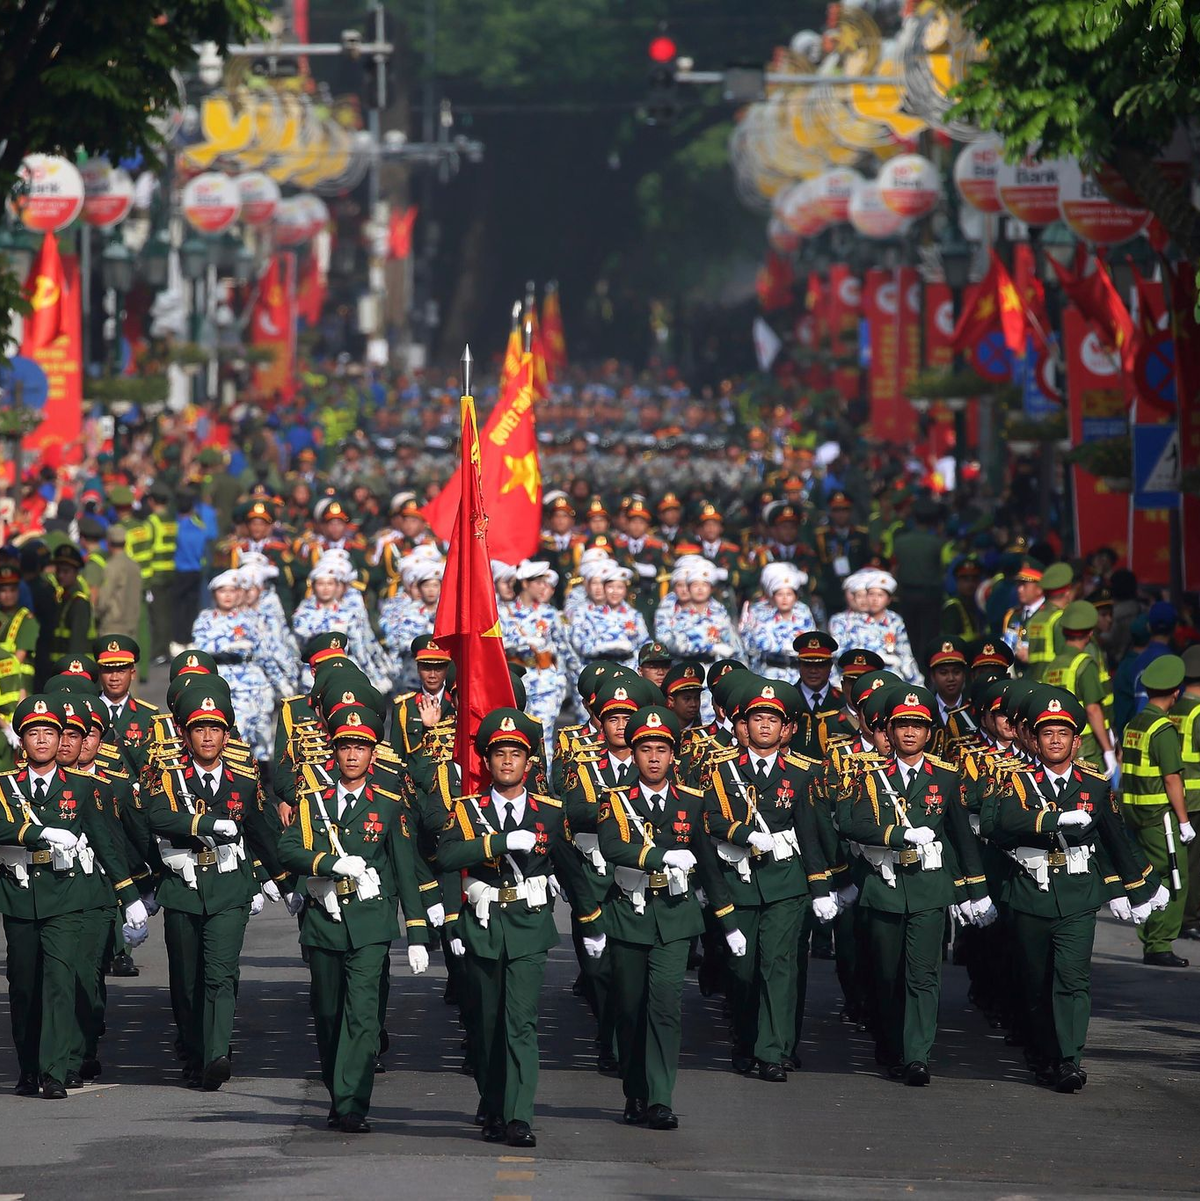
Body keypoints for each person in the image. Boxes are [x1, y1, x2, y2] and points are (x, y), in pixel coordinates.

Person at [990, 687, 1164, 1091]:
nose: (1055, 740)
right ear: (1033, 738)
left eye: (1063, 733)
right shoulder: (1015, 780)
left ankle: (1069, 1059)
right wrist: (1051, 822)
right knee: (1035, 982)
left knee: (1072, 979)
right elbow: (1000, 825)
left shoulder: (1095, 784)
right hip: (1030, 893)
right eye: (1047, 732)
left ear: (1075, 739)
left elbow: (1116, 840)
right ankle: (1042, 1051)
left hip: (1077, 893)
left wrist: (1143, 886)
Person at [438, 707, 596, 1148]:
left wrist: (591, 922)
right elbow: (446, 859)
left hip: (528, 926)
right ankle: (493, 1101)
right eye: (499, 754)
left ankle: (518, 1115)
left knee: (521, 1022)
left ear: (530, 764)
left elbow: (571, 871)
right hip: (483, 926)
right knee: (486, 1025)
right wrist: (498, 842)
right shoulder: (468, 811)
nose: (507, 762)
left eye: (516, 754)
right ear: (486, 762)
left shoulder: (550, 812)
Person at [278, 704, 430, 1134]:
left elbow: (406, 867)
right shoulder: (313, 803)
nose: (352, 755)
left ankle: (352, 1103)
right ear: (334, 752)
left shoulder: (388, 805)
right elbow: (287, 849)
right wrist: (326, 862)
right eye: (345, 746)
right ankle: (337, 1091)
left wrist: (416, 931)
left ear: (373, 755)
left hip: (370, 922)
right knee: (327, 1014)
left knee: (363, 1015)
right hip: (324, 921)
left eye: (360, 747)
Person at [597, 705, 742, 1129]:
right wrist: (658, 855)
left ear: (673, 755)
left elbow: (710, 867)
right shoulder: (616, 800)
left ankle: (660, 1098)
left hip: (676, 918)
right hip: (630, 915)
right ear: (635, 753)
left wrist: (728, 921)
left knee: (665, 1006)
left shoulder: (692, 802)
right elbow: (612, 847)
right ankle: (635, 1090)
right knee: (629, 1008)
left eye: (662, 749)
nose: (654, 757)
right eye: (645, 749)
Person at [0, 695, 147, 1097]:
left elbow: (105, 844)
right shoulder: (4, 786)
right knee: (25, 986)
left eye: (51, 732)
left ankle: (55, 1070)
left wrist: (129, 895)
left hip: (67, 898)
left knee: (60, 982)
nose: (44, 740)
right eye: (35, 733)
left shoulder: (82, 788)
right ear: (22, 741)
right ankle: (29, 1067)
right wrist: (38, 833)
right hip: (20, 897)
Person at [846, 685, 992, 1085]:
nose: (909, 733)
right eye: (902, 725)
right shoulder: (869, 775)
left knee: (924, 975)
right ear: (889, 731)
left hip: (929, 888)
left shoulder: (945, 777)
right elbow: (853, 823)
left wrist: (975, 891)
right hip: (884, 886)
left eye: (918, 726)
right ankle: (891, 1045)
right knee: (886, 973)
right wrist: (896, 836)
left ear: (930, 733)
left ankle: (917, 1056)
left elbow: (962, 838)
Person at [144, 680, 281, 1090]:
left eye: (216, 728)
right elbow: (154, 816)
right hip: (183, 887)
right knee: (187, 980)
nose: (208, 736)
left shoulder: (243, 778)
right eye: (199, 728)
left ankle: (217, 1053)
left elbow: (263, 831)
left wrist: (286, 879)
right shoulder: (168, 775)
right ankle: (194, 1048)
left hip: (228, 887)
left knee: (221, 974)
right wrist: (204, 824)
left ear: (227, 733)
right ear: (185, 733)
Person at [703, 676, 837, 1081]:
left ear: (786, 728)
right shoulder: (721, 770)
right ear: (743, 724)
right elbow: (708, 819)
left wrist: (821, 888)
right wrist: (744, 835)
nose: (765, 726)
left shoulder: (802, 773)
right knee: (743, 970)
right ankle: (745, 1043)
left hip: (785, 882)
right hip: (739, 880)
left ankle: (772, 1052)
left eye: (773, 720)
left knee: (778, 966)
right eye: (758, 718)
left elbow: (811, 834)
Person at [1120, 654, 1194, 967]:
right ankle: (1159, 943)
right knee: (1177, 878)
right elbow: (1172, 778)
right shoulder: (1162, 729)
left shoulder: (1135, 723)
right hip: (1159, 818)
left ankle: (1150, 939)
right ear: (1175, 693)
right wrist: (1184, 820)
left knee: (1148, 875)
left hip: (1134, 814)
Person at [1042, 601, 1119, 774]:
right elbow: (1093, 710)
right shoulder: (1084, 664)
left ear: (1063, 632)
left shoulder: (1052, 666)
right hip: (1088, 747)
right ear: (1090, 633)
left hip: (1063, 747)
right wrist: (1108, 750)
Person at [741, 562, 815, 681]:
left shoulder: (803, 612)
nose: (785, 598)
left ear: (796, 597)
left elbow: (812, 640)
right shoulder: (760, 614)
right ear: (773, 596)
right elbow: (750, 645)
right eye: (780, 594)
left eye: (789, 594)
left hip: (798, 674)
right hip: (769, 674)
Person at [1172, 646, 1200, 941]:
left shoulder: (1177, 707)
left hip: (1181, 795)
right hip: (1196, 798)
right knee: (1194, 864)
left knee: (1183, 862)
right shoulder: (1198, 711)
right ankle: (1189, 918)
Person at [92, 525, 143, 641]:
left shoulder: (111, 566)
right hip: (131, 627)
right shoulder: (135, 566)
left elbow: (104, 599)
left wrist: (95, 614)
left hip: (113, 627)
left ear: (108, 542)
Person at [0, 562, 39, 694]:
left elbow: (18, 658)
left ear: (18, 591)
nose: (8, 595)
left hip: (18, 687)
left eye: (12, 590)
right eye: (3, 590)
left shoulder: (26, 620)